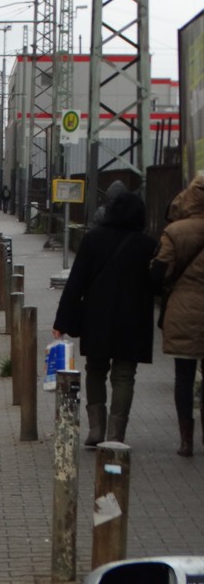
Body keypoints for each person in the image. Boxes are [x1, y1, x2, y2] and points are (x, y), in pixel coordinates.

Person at [52, 190, 157, 447]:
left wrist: (62, 322)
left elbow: (76, 283)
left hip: (97, 317)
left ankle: (96, 429)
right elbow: (156, 285)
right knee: (124, 375)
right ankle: (116, 434)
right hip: (133, 319)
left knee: (96, 370)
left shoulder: (92, 240)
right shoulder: (148, 245)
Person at [149, 175, 204, 458]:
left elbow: (159, 274)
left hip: (184, 310)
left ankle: (186, 441)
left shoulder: (176, 231)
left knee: (183, 377)